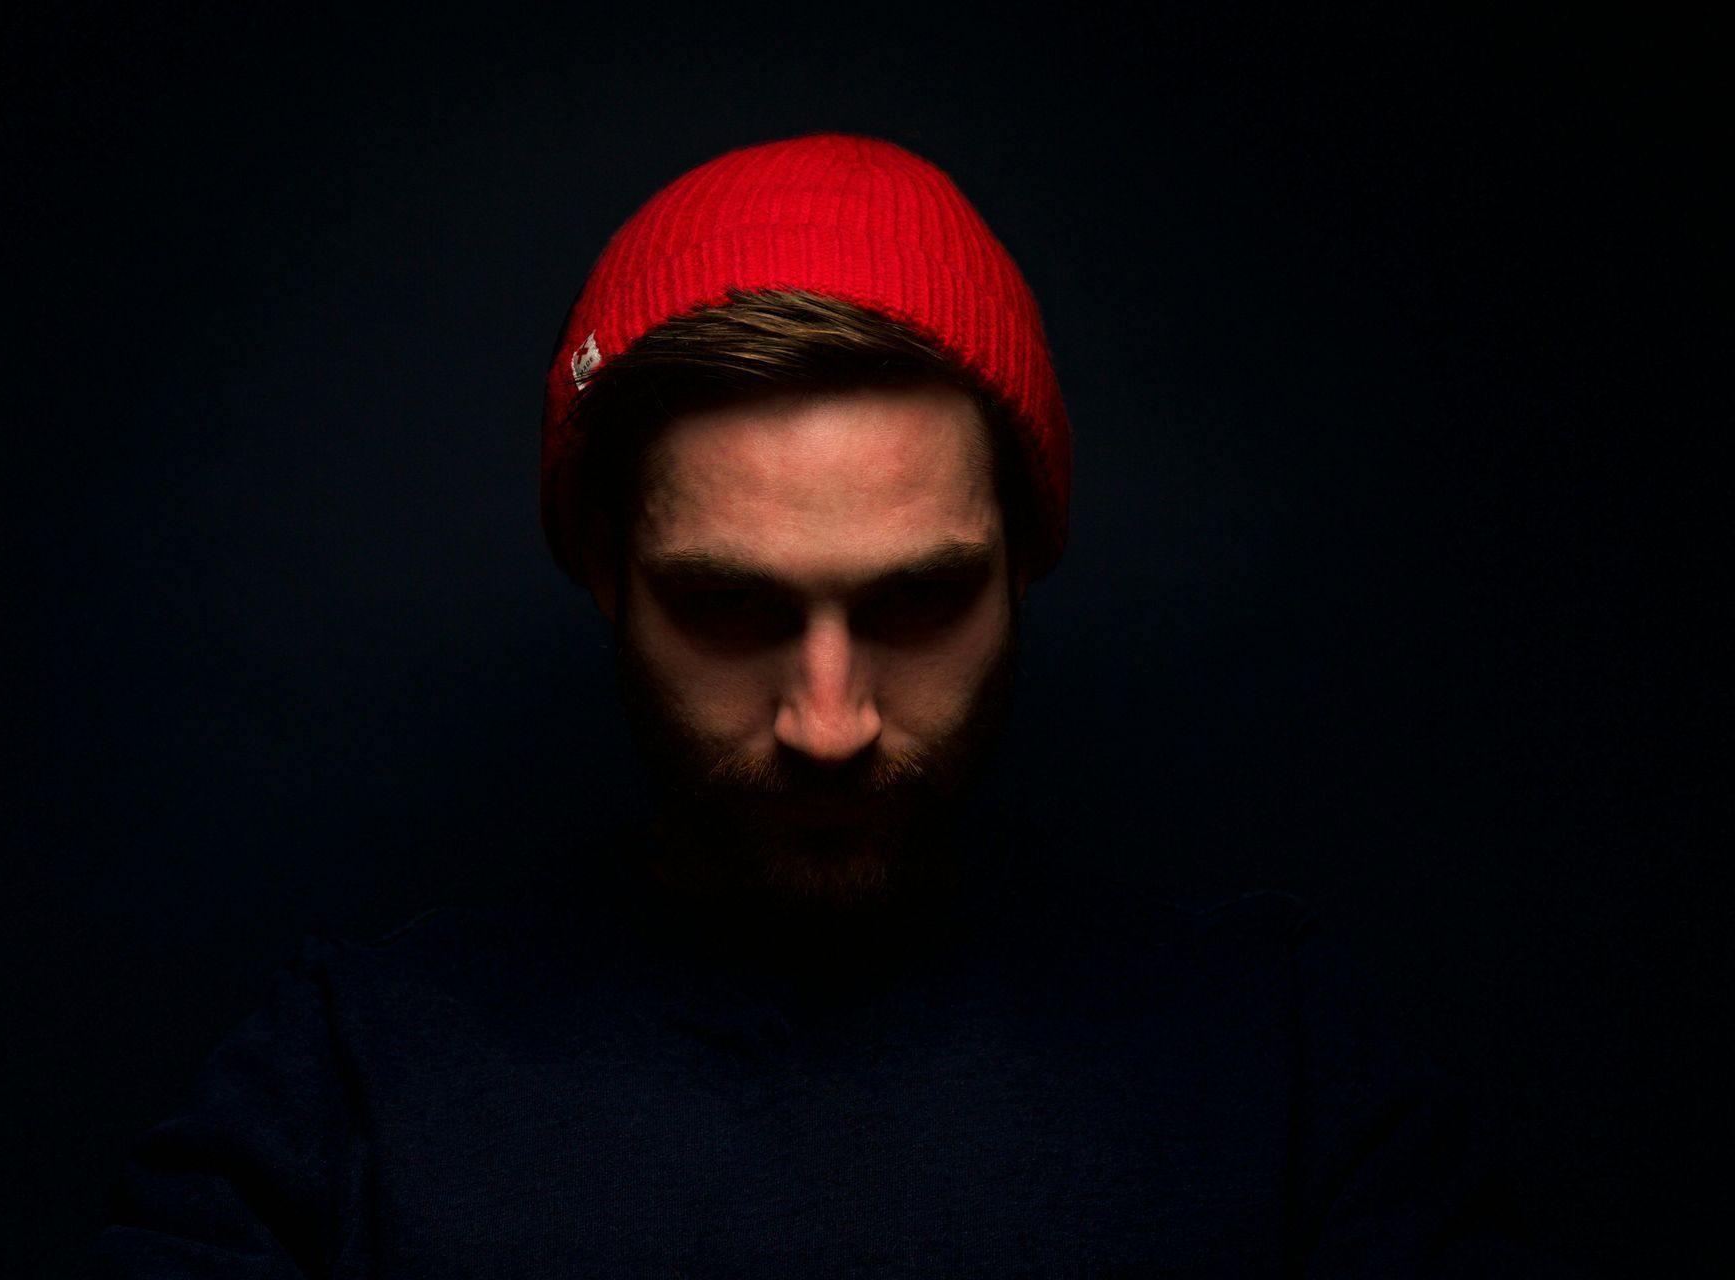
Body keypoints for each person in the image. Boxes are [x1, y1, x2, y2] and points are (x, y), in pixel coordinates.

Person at [96, 134, 1556, 1276]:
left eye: (918, 601)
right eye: (730, 607)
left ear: (1026, 564)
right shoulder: (346, 1081)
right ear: (604, 575)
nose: (829, 721)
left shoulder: (1282, 1070)